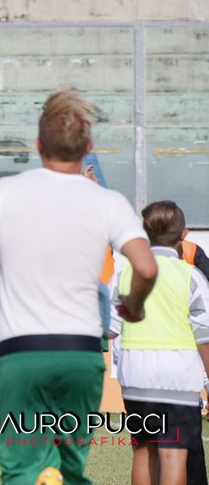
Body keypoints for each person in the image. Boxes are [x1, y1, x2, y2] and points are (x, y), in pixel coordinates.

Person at [0, 89, 159, 484]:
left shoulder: (6, 192)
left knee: (21, 468)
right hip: (80, 354)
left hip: (22, 352)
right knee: (72, 467)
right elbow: (147, 268)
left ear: (38, 144)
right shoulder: (108, 201)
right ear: (89, 147)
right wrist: (134, 305)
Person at [110, 201, 209, 485]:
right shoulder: (191, 276)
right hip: (176, 378)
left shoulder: (124, 274)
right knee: (173, 454)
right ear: (184, 234)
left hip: (135, 376)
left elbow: (109, 330)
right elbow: (205, 338)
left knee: (143, 450)